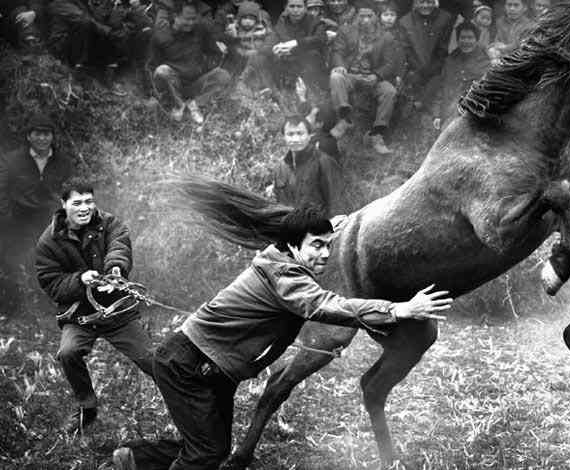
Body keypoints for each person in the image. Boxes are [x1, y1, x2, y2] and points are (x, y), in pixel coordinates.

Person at [110, 198, 452, 469]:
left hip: (214, 369)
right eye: (316, 245)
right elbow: (325, 306)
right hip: (189, 365)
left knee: (213, 446)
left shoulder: (284, 256)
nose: (325, 254)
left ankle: (135, 459)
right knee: (206, 453)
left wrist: (333, 227)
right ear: (293, 245)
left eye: (328, 245)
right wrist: (398, 310)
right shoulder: (285, 277)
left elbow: (316, 239)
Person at [35, 180, 155, 433]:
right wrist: (80, 280)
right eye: (77, 203)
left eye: (89, 201)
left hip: (117, 311)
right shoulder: (48, 242)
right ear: (63, 205)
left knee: (152, 360)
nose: (84, 208)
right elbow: (52, 284)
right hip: (79, 316)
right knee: (68, 353)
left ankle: (185, 396)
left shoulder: (110, 223)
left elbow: (119, 247)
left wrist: (115, 271)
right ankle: (86, 408)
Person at [0, 118, 75, 311]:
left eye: (46, 134)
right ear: (29, 136)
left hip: (49, 220)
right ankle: (18, 307)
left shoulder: (62, 162)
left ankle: (49, 304)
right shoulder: (12, 160)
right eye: (38, 134)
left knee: (53, 260)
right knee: (17, 262)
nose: (42, 138)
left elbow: (69, 191)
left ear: (52, 137)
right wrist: (7, 218)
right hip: (18, 220)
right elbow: (1, 191)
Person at [328, 5, 417, 155]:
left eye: (369, 16)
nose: (365, 20)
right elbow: (337, 52)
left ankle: (377, 134)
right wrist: (341, 66)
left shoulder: (386, 37)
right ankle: (345, 120)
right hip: (351, 75)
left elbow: (390, 63)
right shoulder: (346, 31)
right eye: (362, 16)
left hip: (372, 77)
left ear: (376, 16)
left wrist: (377, 75)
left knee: (389, 91)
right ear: (356, 16)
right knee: (336, 76)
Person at [148, 0, 231, 123]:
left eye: (193, 19)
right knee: (162, 71)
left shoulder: (200, 30)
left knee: (223, 75)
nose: (191, 23)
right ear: (175, 16)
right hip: (174, 84)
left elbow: (214, 53)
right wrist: (153, 93)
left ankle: (195, 105)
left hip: (196, 82)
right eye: (187, 19)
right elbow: (152, 66)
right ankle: (178, 105)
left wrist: (203, 67)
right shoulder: (160, 36)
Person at [271, 116, 348, 217]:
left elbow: (337, 205)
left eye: (300, 133)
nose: (295, 139)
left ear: (310, 136)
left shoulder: (324, 162)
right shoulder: (279, 169)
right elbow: (279, 206)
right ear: (283, 137)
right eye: (290, 134)